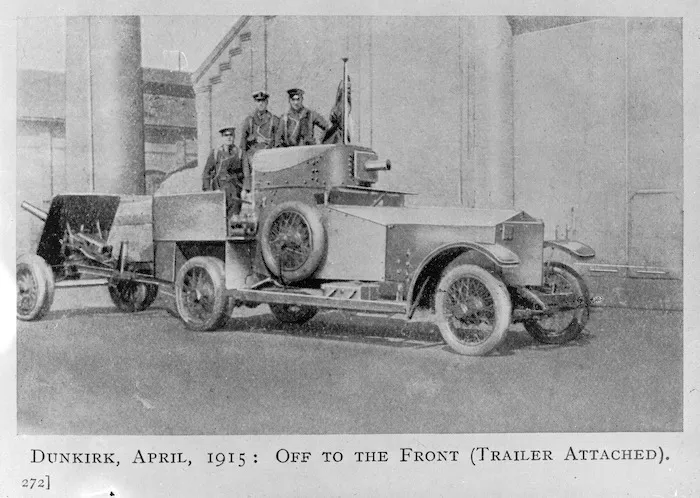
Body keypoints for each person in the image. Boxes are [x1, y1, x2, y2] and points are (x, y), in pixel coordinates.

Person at [202, 126, 248, 218]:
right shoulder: (215, 153)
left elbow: (246, 173)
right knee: (218, 218)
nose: (229, 137)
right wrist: (208, 190)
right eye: (226, 135)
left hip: (235, 191)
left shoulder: (240, 153)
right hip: (219, 189)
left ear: (234, 137)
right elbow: (206, 173)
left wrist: (245, 189)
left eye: (231, 135)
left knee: (234, 218)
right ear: (222, 138)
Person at [240, 90, 279, 178]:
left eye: (263, 101)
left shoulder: (274, 120)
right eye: (258, 101)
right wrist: (254, 138)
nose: (261, 104)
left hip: (269, 157)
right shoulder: (249, 120)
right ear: (255, 103)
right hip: (252, 159)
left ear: (267, 102)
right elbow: (243, 145)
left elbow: (278, 141)